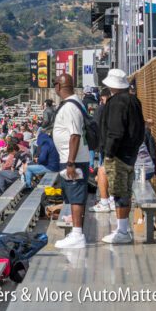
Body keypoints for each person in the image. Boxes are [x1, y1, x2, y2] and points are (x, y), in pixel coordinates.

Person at [96, 69, 146, 244]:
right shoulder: (134, 101)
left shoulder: (116, 103)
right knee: (124, 190)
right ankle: (122, 229)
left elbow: (115, 132)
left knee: (119, 192)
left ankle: (122, 231)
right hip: (130, 154)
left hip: (118, 155)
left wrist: (109, 153)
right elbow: (140, 129)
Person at [52, 73, 91, 249]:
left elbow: (74, 135)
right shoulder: (75, 104)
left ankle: (77, 235)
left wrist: (70, 163)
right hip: (72, 158)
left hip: (73, 160)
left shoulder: (69, 107)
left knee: (75, 197)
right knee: (73, 196)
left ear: (58, 87)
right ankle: (76, 230)